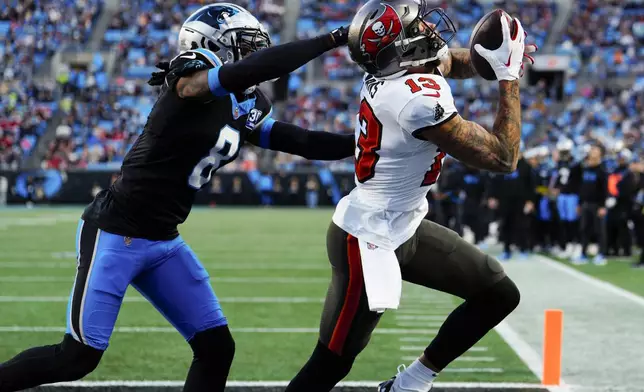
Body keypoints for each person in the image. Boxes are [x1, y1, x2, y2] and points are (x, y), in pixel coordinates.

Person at [0, 4, 353, 392]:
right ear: (212, 46)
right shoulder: (189, 80)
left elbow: (298, 140)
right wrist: (333, 38)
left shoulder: (244, 103)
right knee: (77, 357)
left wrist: (366, 144)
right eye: (246, 48)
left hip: (163, 241)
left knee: (216, 348)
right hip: (116, 232)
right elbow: (245, 72)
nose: (255, 58)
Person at [285, 1, 537, 391]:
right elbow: (504, 157)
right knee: (331, 363)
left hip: (405, 226)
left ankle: (410, 383)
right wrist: (508, 75)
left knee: (498, 294)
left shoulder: (401, 71)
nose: (428, 27)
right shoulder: (413, 101)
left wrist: (496, 54)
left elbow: (455, 62)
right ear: (400, 48)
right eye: (416, 24)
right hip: (367, 238)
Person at [575, 144, 608, 265]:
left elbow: (605, 190)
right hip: (585, 204)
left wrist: (603, 206)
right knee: (584, 230)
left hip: (597, 205)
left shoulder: (602, 170)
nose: (592, 152)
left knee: (599, 230)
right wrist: (579, 203)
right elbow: (582, 188)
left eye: (595, 150)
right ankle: (583, 254)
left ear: (600, 154)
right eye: (591, 150)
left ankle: (601, 254)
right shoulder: (585, 169)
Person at [550, 138, 582, 259]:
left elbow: (577, 182)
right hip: (562, 196)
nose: (563, 153)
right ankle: (568, 245)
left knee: (573, 221)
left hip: (572, 195)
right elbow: (558, 178)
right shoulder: (560, 163)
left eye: (565, 151)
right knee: (564, 222)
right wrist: (556, 188)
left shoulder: (576, 164)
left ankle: (577, 245)